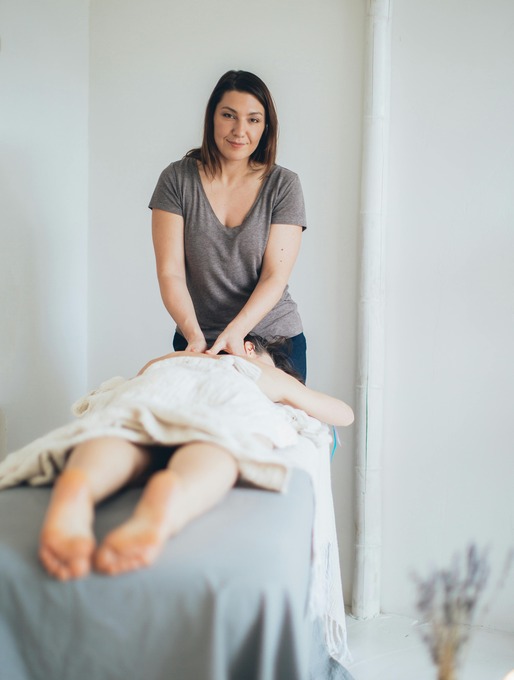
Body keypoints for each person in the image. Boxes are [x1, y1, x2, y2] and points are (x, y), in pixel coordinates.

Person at [28, 336, 354, 581]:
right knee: (220, 446)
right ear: (250, 347)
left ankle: (82, 483)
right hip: (228, 393)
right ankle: (172, 496)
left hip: (159, 383)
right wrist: (290, 395)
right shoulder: (256, 370)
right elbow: (344, 415)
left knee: (125, 433)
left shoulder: (175, 357)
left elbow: (141, 378)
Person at [149, 70, 308, 381]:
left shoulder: (283, 185)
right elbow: (170, 272)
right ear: (212, 118)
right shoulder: (177, 180)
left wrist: (235, 334)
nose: (239, 130)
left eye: (253, 119)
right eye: (228, 115)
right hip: (198, 342)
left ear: (266, 127)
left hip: (273, 342)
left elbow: (274, 277)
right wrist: (195, 336)